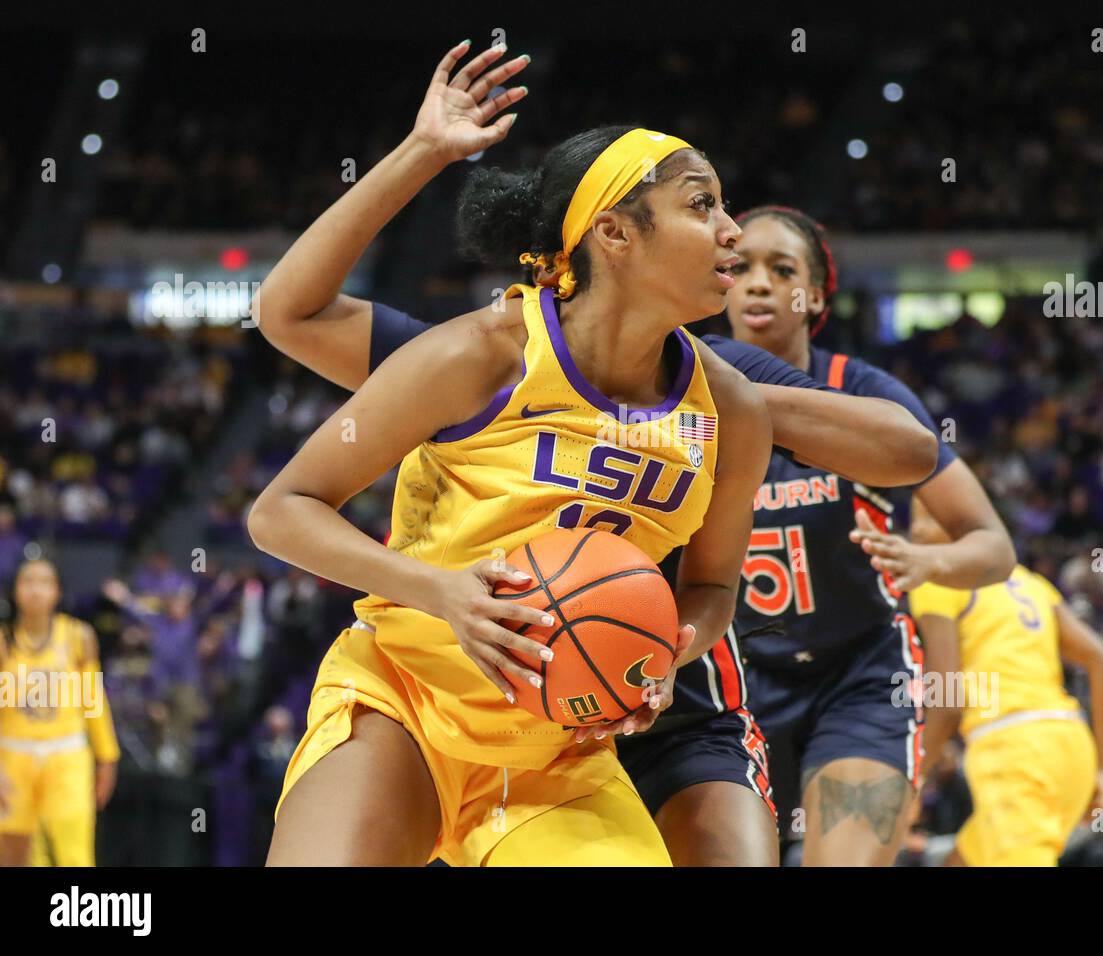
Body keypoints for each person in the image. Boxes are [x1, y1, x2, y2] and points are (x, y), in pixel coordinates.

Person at [252, 65, 937, 871]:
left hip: (562, 747)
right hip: (407, 698)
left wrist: (664, 653)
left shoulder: (735, 410)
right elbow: (281, 510)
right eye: (701, 204)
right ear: (615, 233)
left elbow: (712, 590)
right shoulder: (484, 353)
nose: (731, 232)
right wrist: (444, 592)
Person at [690, 204, 1016, 866]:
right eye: (742, 267)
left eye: (782, 270)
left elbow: (993, 545)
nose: (758, 283)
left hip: (859, 679)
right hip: (734, 686)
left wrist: (928, 560)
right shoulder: (682, 394)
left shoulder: (864, 394)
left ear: (815, 297)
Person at [909, 497, 1103, 866]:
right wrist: (1101, 771)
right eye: (914, 518)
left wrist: (911, 782)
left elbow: (947, 700)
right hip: (1070, 745)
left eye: (928, 517)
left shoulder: (938, 578)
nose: (916, 530)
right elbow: (1101, 661)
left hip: (1014, 751)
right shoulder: (1029, 581)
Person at [0, 558, 120, 866]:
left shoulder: (79, 637)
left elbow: (93, 703)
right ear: (14, 590)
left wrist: (107, 757)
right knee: (19, 858)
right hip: (13, 761)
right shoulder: (3, 642)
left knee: (74, 854)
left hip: (66, 759)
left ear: (57, 591)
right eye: (27, 581)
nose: (35, 590)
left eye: (44, 582)